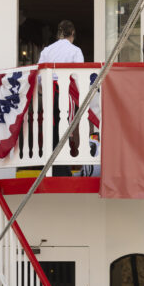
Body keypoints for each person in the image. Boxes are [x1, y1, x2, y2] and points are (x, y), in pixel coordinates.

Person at [38, 20, 84, 176]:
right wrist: (82, 95)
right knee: (64, 129)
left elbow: (39, 76)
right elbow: (79, 77)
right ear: (72, 33)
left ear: (59, 33)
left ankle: (52, 168)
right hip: (65, 93)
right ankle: (62, 168)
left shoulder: (47, 51)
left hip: (50, 93)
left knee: (51, 129)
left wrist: (41, 91)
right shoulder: (75, 50)